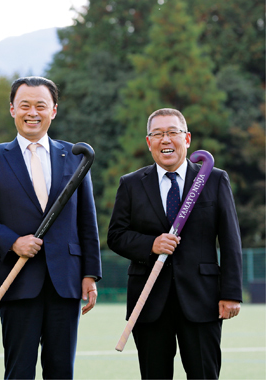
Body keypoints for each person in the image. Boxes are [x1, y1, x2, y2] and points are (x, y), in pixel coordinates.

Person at [0, 76, 102, 379]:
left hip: (64, 282)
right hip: (17, 281)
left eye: (41, 105)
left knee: (61, 370)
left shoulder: (76, 157)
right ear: (12, 109)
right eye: (24, 105)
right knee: (19, 372)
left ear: (54, 110)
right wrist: (12, 242)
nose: (32, 112)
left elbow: (86, 219)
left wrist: (90, 273)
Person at [107, 108, 243, 379]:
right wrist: (151, 244)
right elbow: (116, 236)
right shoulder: (131, 184)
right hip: (149, 301)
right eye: (157, 134)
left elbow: (230, 239)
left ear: (187, 138)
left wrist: (231, 293)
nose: (165, 140)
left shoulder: (214, 179)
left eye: (172, 132)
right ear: (149, 143)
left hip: (202, 299)